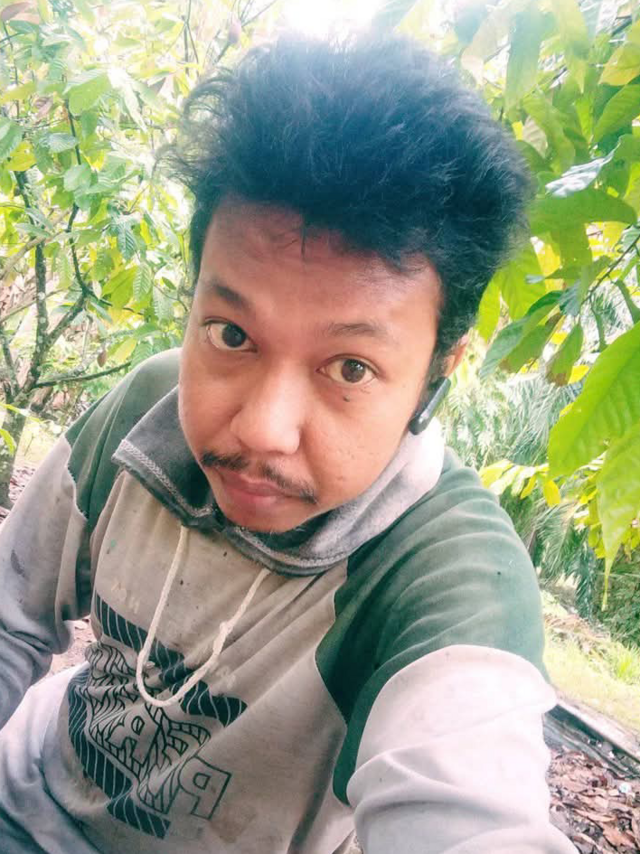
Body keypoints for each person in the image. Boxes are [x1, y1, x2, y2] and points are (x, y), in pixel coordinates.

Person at [0, 32, 577, 854]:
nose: (262, 430)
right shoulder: (147, 407)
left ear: (436, 375)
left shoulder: (446, 576)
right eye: (231, 334)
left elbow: (471, 815)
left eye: (350, 368)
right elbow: (12, 617)